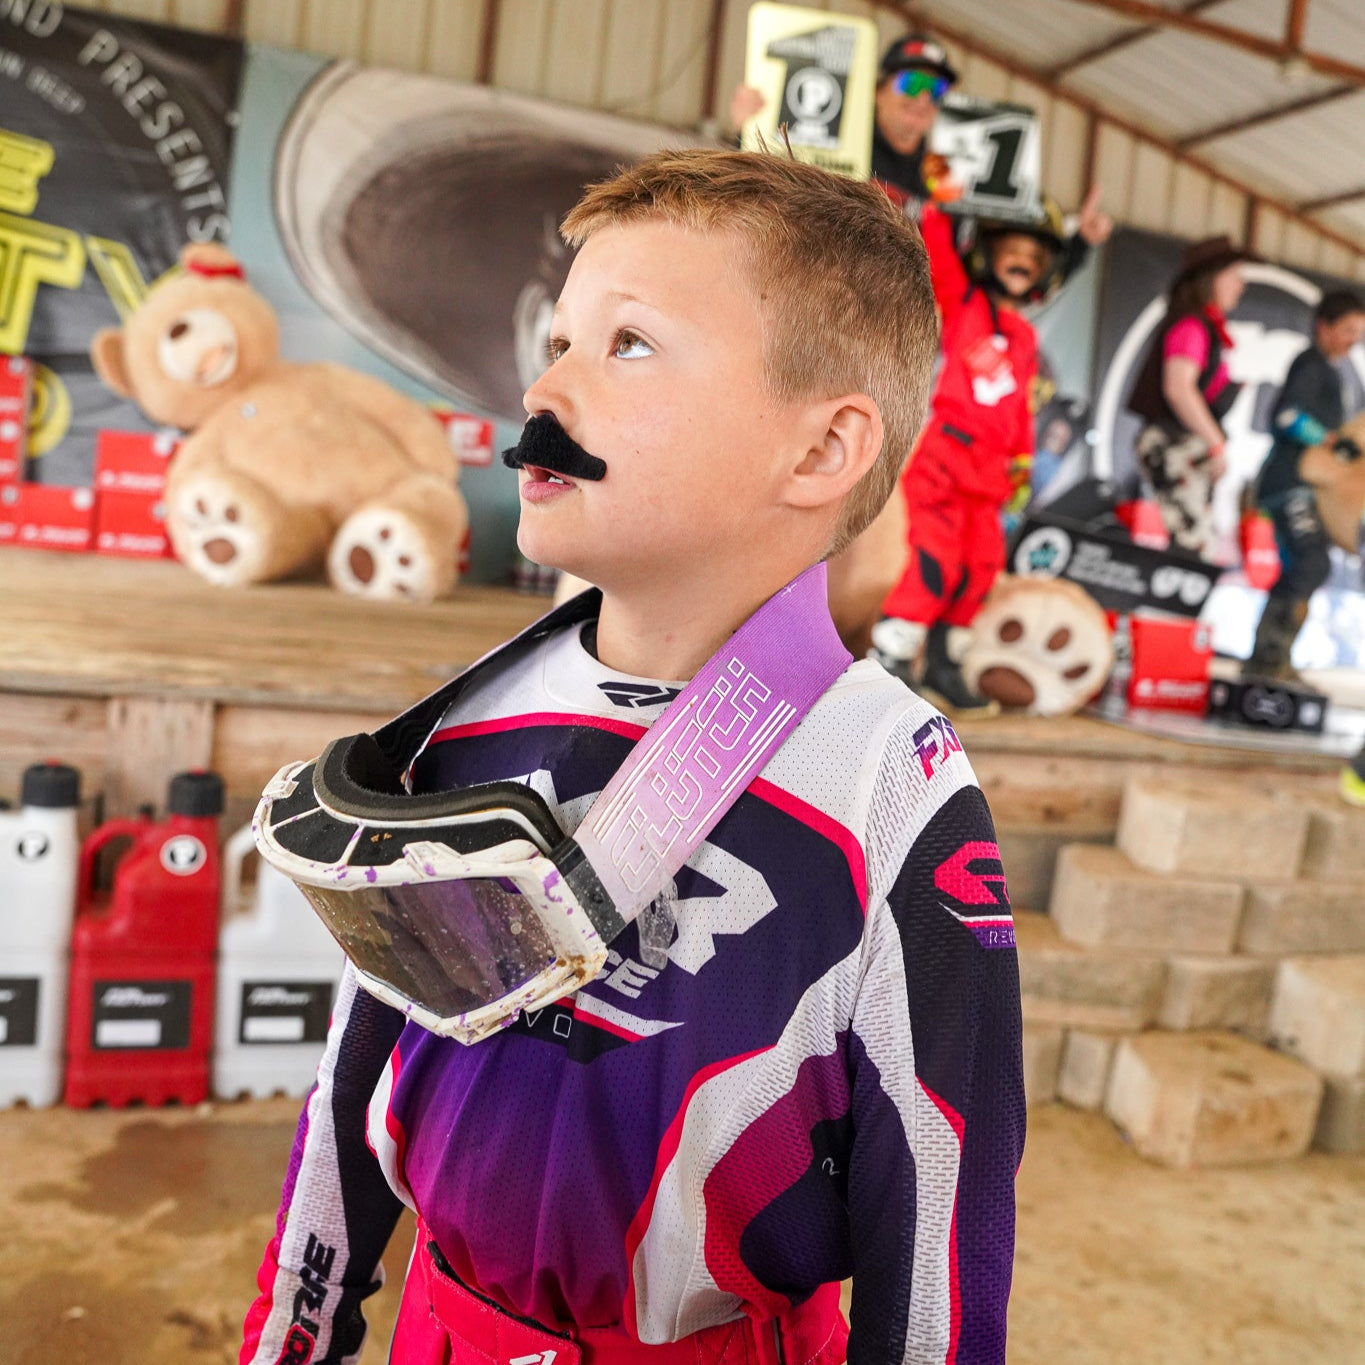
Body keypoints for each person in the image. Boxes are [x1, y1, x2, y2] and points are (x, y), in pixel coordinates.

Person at [240, 149, 1025, 1365]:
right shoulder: (459, 723)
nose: (547, 389)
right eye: (558, 339)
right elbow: (350, 1090)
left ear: (821, 453)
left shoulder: (891, 783)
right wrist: (292, 1341)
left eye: (631, 345)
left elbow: (942, 1219)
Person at [869, 193, 1109, 715]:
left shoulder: (1023, 334)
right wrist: (935, 206)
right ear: (987, 253)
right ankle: (888, 660)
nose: (1022, 263)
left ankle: (943, 663)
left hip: (992, 479)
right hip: (945, 465)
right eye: (1011, 250)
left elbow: (1022, 410)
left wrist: (1021, 466)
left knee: (979, 570)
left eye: (1035, 255)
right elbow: (937, 251)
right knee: (936, 562)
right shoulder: (964, 304)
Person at [1244, 289, 1365, 680]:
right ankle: (1267, 660)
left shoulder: (1333, 371)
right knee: (1311, 562)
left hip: (1306, 485)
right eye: (1347, 329)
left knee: (1310, 565)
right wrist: (1330, 440)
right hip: (1288, 481)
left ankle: (1274, 660)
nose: (1354, 339)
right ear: (1324, 327)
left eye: (1359, 331)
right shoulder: (1311, 364)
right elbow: (1285, 416)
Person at [1125, 235, 1256, 558]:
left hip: (1185, 447)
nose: (1241, 286)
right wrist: (1215, 442)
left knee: (1195, 543)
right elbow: (1178, 388)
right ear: (1213, 279)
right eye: (1234, 276)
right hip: (1173, 445)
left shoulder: (1206, 326)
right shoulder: (1191, 325)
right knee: (1192, 548)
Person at [730, 31, 958, 212]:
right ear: (878, 91)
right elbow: (772, 184)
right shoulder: (838, 143)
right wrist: (746, 131)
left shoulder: (942, 175)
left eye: (937, 90)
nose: (923, 98)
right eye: (913, 83)